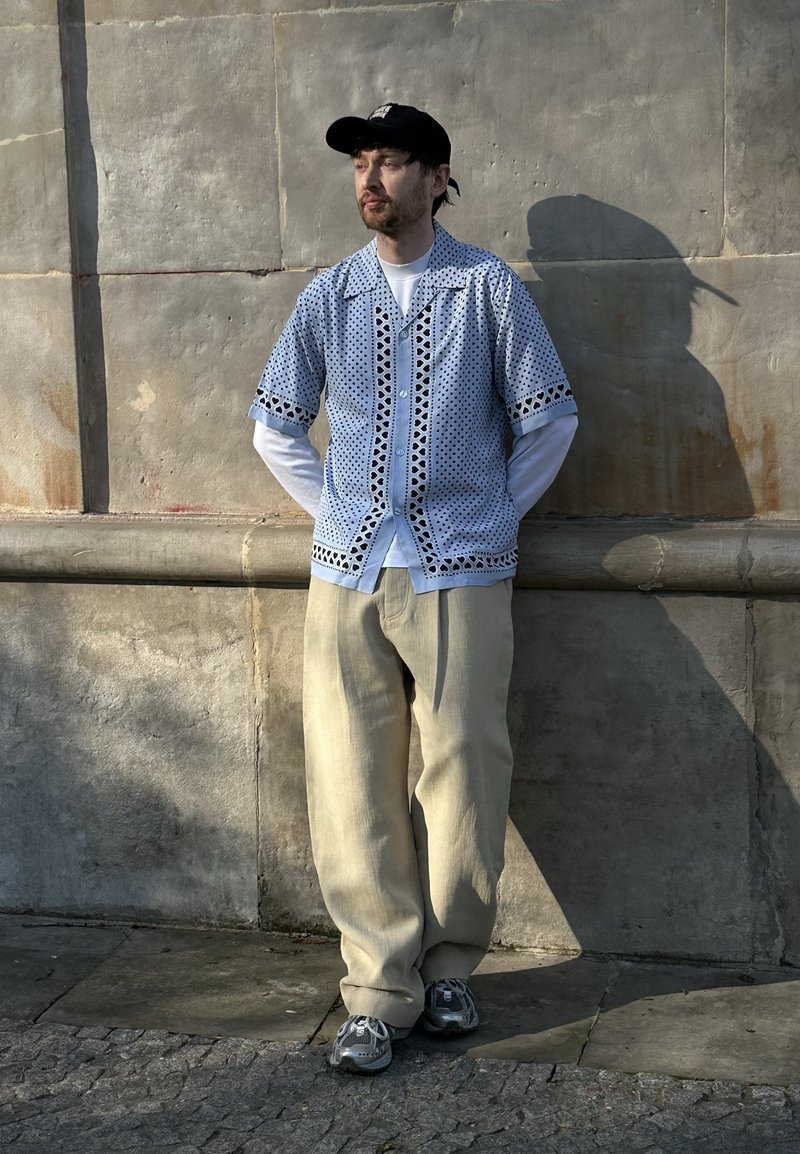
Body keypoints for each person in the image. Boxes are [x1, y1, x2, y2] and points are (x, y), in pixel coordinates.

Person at [249, 102, 578, 1075]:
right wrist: (337, 510)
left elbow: (549, 419)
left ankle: (447, 967)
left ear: (437, 178)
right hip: (346, 572)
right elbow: (274, 424)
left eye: (391, 163)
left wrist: (491, 514)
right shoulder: (326, 297)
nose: (370, 180)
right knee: (349, 777)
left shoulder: (487, 290)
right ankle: (375, 987)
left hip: (461, 569)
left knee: (466, 765)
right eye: (360, 164)